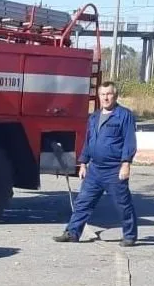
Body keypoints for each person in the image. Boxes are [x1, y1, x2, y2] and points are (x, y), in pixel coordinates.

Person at [53, 80, 138, 246]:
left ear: (115, 95)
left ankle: (130, 235)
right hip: (95, 169)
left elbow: (129, 141)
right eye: (102, 94)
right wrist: (83, 163)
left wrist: (126, 164)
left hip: (114, 169)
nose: (106, 98)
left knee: (123, 204)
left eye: (109, 94)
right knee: (83, 202)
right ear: (99, 96)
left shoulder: (124, 115)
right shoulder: (94, 117)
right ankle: (72, 233)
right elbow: (89, 141)